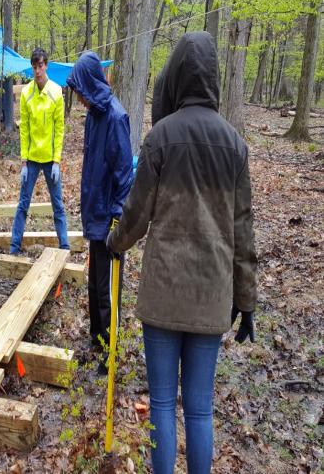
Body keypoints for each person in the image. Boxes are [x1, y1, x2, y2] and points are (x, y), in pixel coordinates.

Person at [107, 31, 257, 473]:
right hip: (212, 297)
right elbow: (243, 231)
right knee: (199, 410)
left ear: (176, 76)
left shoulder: (161, 138)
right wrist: (246, 302)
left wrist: (115, 243)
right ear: (212, 77)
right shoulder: (234, 145)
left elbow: (135, 214)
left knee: (160, 404)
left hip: (163, 295)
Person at [66, 51, 133, 365]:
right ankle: (97, 337)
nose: (78, 98)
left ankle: (111, 348)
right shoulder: (93, 116)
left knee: (108, 289)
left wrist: (117, 217)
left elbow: (123, 173)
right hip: (94, 213)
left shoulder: (116, 118)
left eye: (80, 91)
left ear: (91, 85)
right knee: (94, 284)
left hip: (108, 217)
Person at [10, 48, 69, 253]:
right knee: (23, 204)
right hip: (32, 159)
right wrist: (24, 161)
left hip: (50, 159)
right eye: (35, 66)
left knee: (58, 205)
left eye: (41, 66)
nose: (38, 70)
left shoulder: (56, 92)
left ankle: (65, 246)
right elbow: (24, 129)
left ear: (47, 66)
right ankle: (14, 247)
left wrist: (57, 161)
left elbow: (60, 129)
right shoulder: (27, 93)